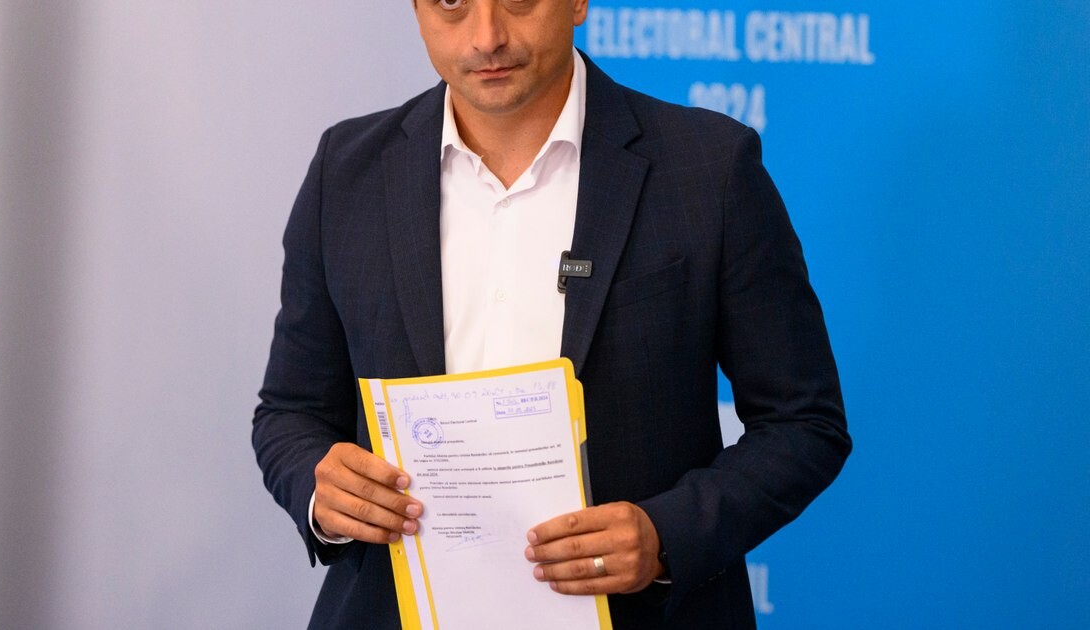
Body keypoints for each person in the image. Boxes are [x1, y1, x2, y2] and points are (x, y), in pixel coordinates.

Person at [253, 1, 851, 627]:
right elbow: (290, 412)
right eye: (451, 3)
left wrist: (665, 535)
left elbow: (803, 422)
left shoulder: (709, 168)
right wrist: (322, 490)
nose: (486, 37)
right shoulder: (346, 171)